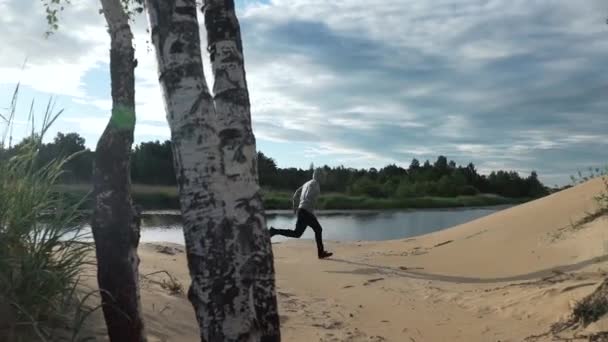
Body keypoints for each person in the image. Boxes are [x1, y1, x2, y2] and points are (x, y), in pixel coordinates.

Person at [269, 168, 333, 259]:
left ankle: (274, 231)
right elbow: (308, 197)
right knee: (318, 229)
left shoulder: (307, 183)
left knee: (297, 233)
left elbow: (296, 193)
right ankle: (321, 253)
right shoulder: (315, 184)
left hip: (302, 210)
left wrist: (296, 206)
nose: (324, 178)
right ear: (318, 176)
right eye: (323, 176)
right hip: (305, 211)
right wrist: (307, 205)